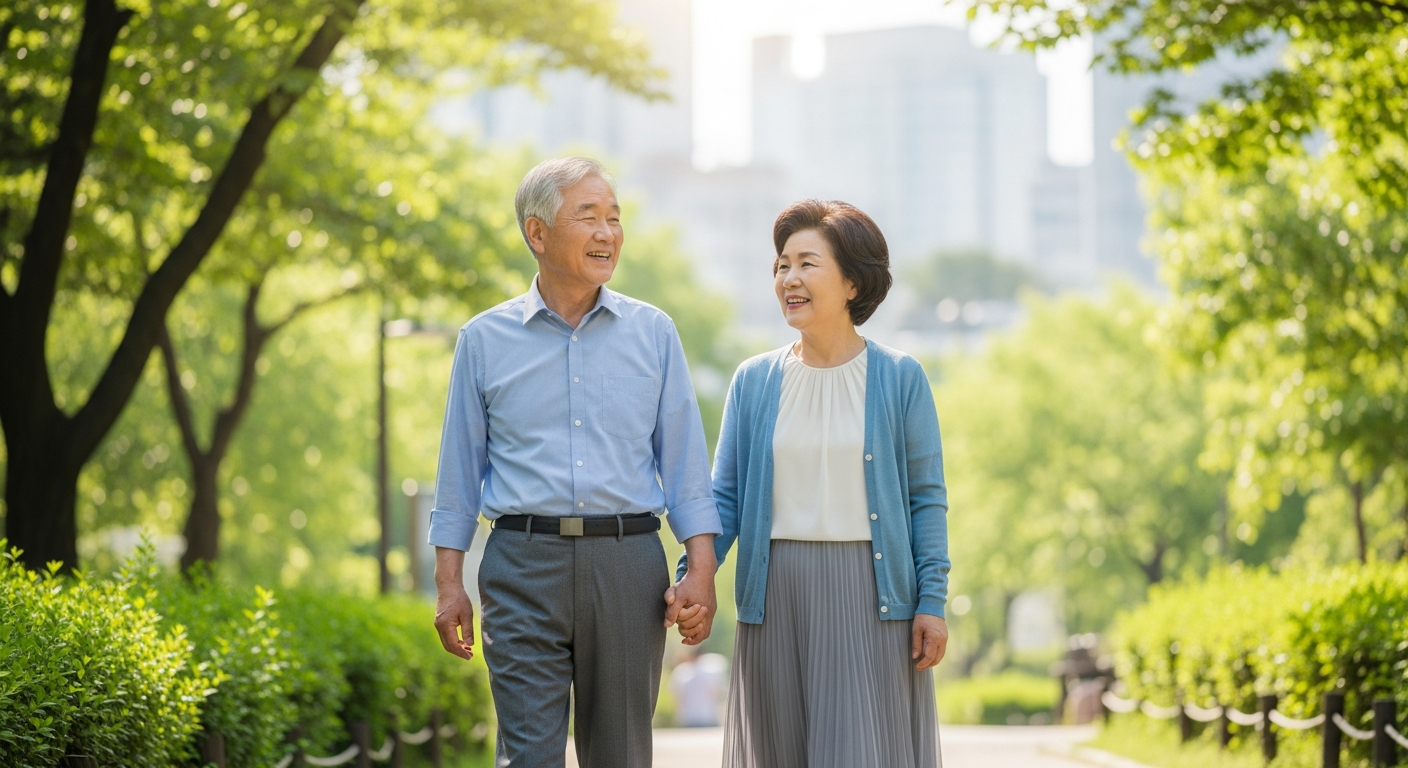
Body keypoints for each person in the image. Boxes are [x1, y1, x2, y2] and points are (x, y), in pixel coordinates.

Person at [429, 157, 720, 768]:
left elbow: (687, 466)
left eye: (614, 219)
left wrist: (701, 569)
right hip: (521, 564)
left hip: (628, 563)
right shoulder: (483, 340)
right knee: (528, 758)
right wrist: (449, 584)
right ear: (537, 234)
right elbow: (458, 474)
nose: (607, 233)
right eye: (587, 217)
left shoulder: (654, 333)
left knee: (620, 756)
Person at [674, 199, 951, 767]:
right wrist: (695, 578)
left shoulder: (901, 378)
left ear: (852, 282)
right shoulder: (754, 381)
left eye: (806, 263)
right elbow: (722, 496)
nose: (788, 278)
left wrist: (932, 600)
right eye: (781, 265)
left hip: (873, 599)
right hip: (775, 596)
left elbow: (926, 500)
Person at [670, 647, 729, 728]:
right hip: (709, 716)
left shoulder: (681, 672)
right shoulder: (713, 671)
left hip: (689, 718)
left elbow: (677, 697)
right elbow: (719, 694)